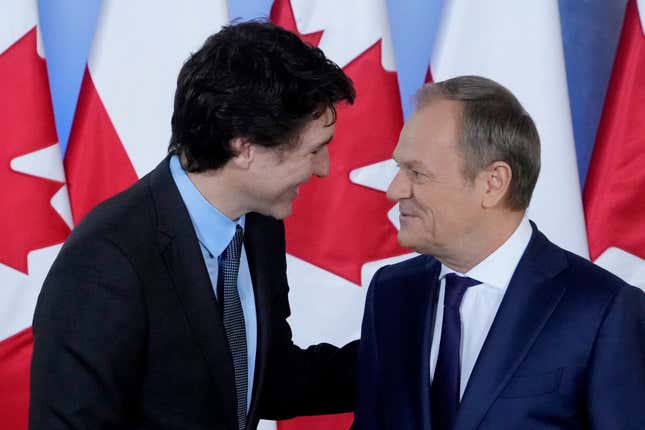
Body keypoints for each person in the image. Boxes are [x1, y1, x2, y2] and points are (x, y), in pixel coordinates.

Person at [30, 22, 358, 430]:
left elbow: (263, 378)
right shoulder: (106, 262)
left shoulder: (259, 225)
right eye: (314, 150)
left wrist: (403, 356)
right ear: (243, 145)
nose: (324, 169)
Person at [353, 75, 645, 430]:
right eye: (400, 168)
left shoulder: (601, 309)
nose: (394, 190)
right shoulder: (392, 292)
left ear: (492, 184)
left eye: (417, 173)